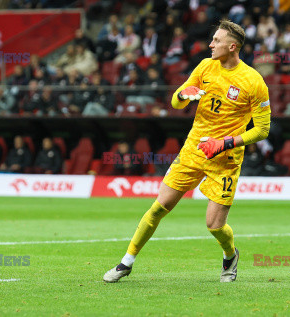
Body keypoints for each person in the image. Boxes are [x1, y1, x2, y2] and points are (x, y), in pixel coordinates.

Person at [104, 20, 271, 283]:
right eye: (212, 39)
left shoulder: (254, 81)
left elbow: (262, 130)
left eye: (216, 41)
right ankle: (126, 262)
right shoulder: (205, 66)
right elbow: (176, 100)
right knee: (160, 206)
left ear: (232, 46)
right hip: (193, 149)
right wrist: (183, 95)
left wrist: (225, 142)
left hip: (225, 158)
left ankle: (230, 256)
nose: (211, 44)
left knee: (214, 225)